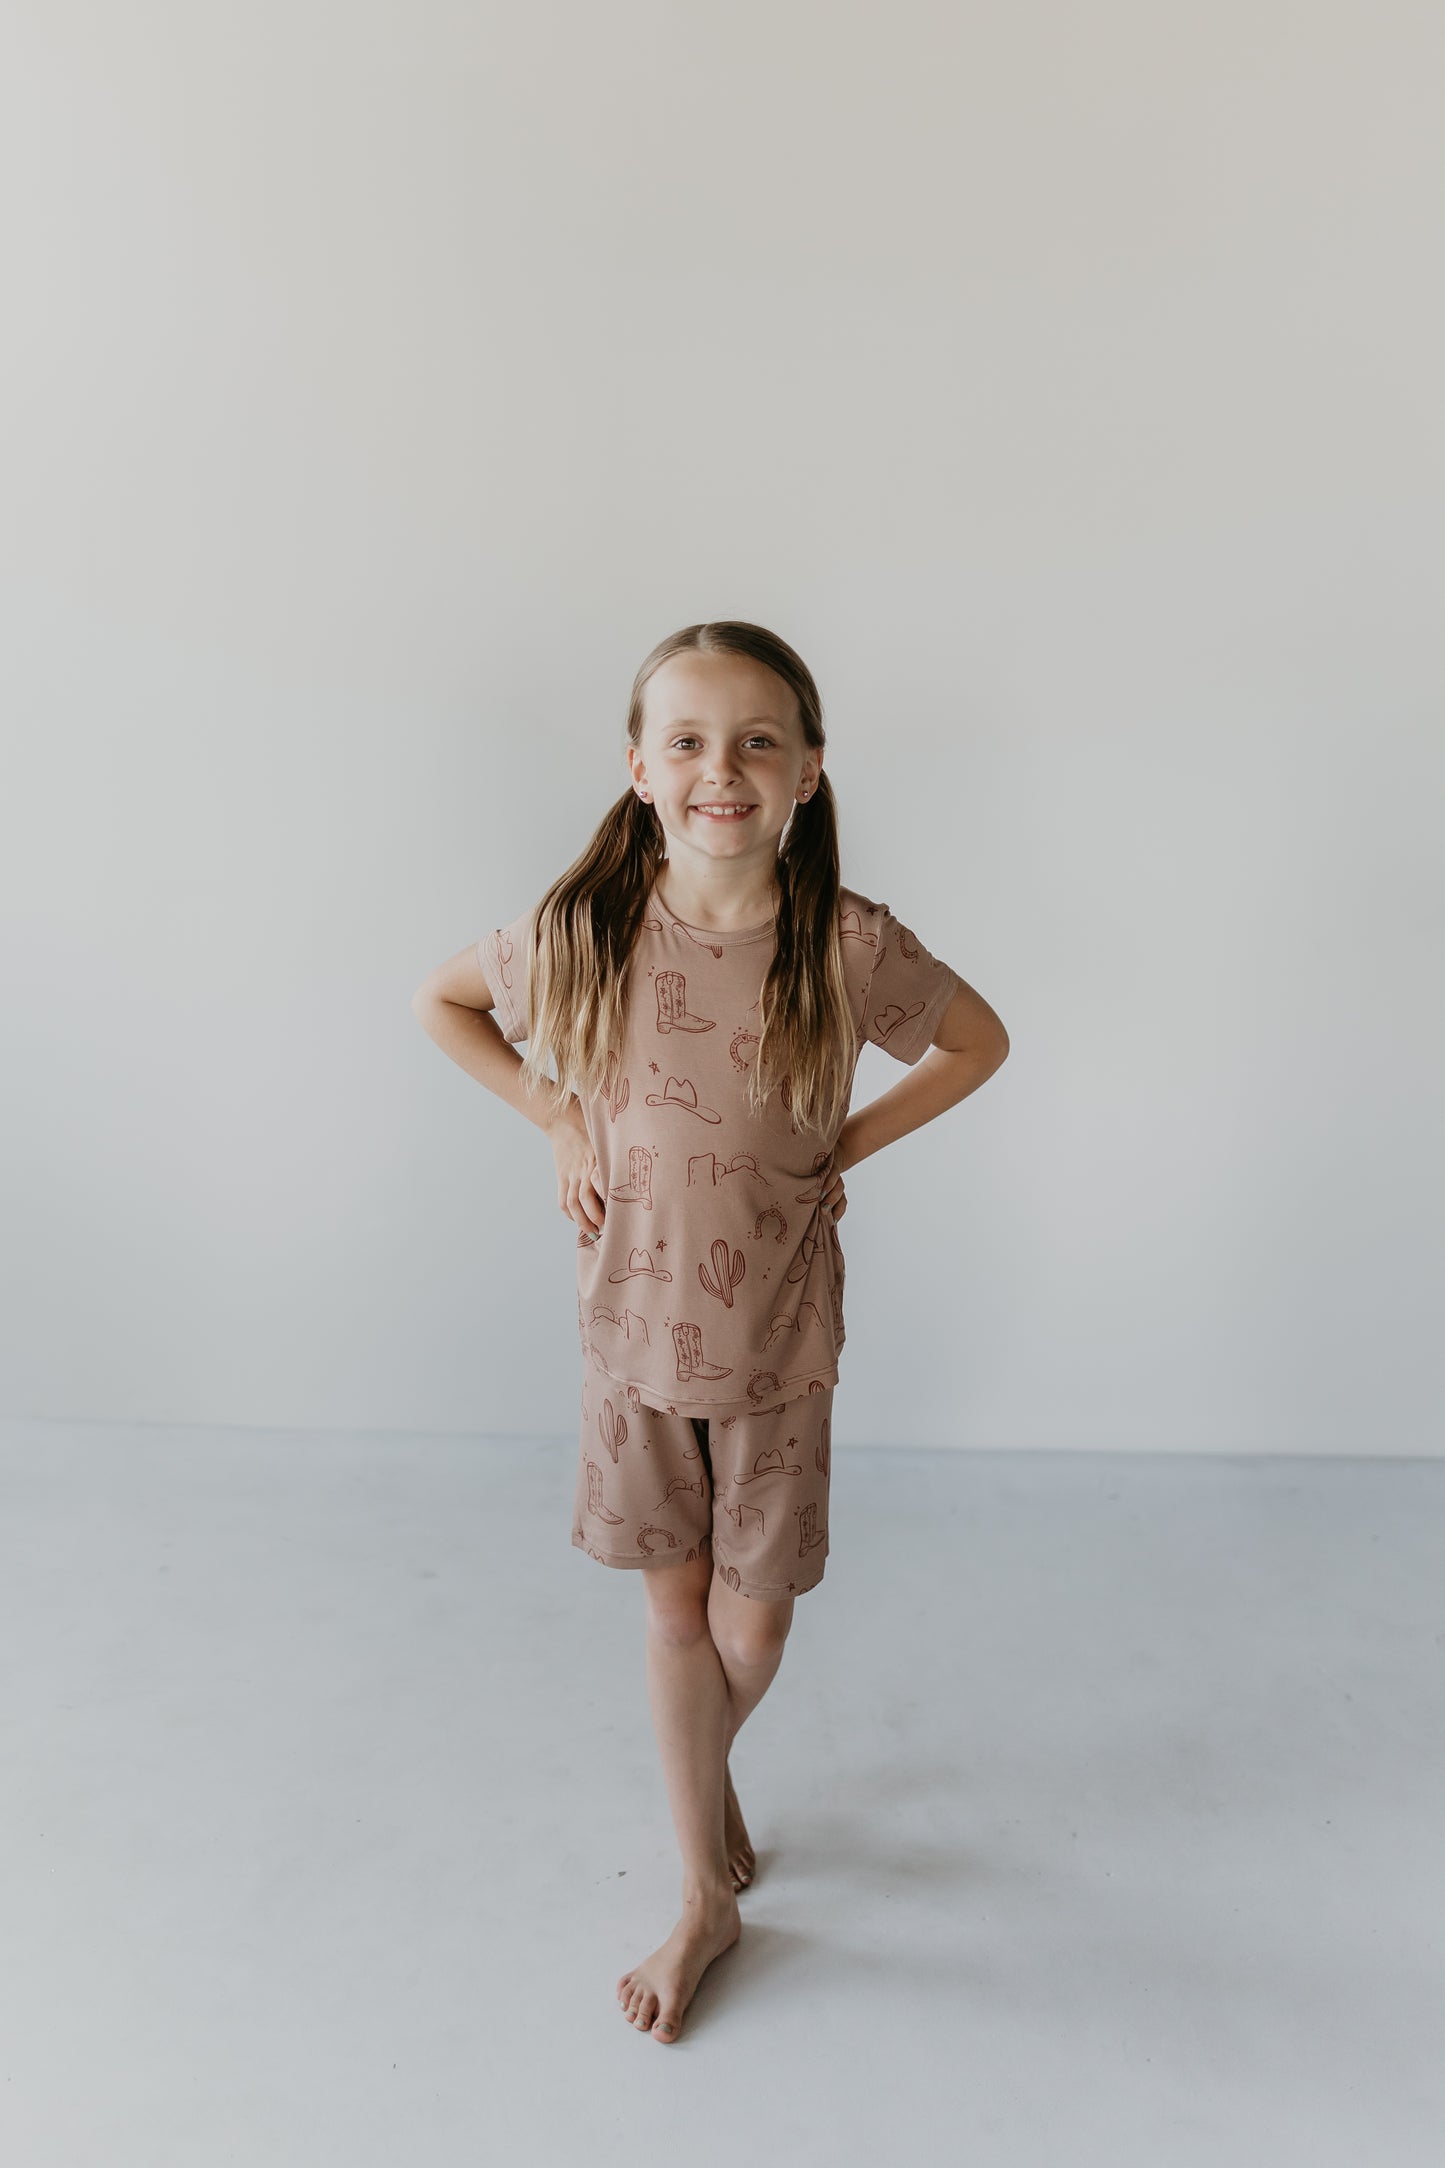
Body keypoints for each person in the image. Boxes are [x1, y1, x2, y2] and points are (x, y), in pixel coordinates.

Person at [413, 620, 1009, 2044]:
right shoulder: (588, 930)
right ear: (637, 769)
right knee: (671, 1618)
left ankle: (700, 1783)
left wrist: (846, 1143)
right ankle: (702, 1893)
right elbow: (444, 1005)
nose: (719, 768)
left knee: (752, 1624)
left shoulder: (847, 943)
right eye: (685, 740)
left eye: (755, 740)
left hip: (778, 1343)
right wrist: (557, 1109)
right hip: (629, 1338)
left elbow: (975, 1041)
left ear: (807, 770)